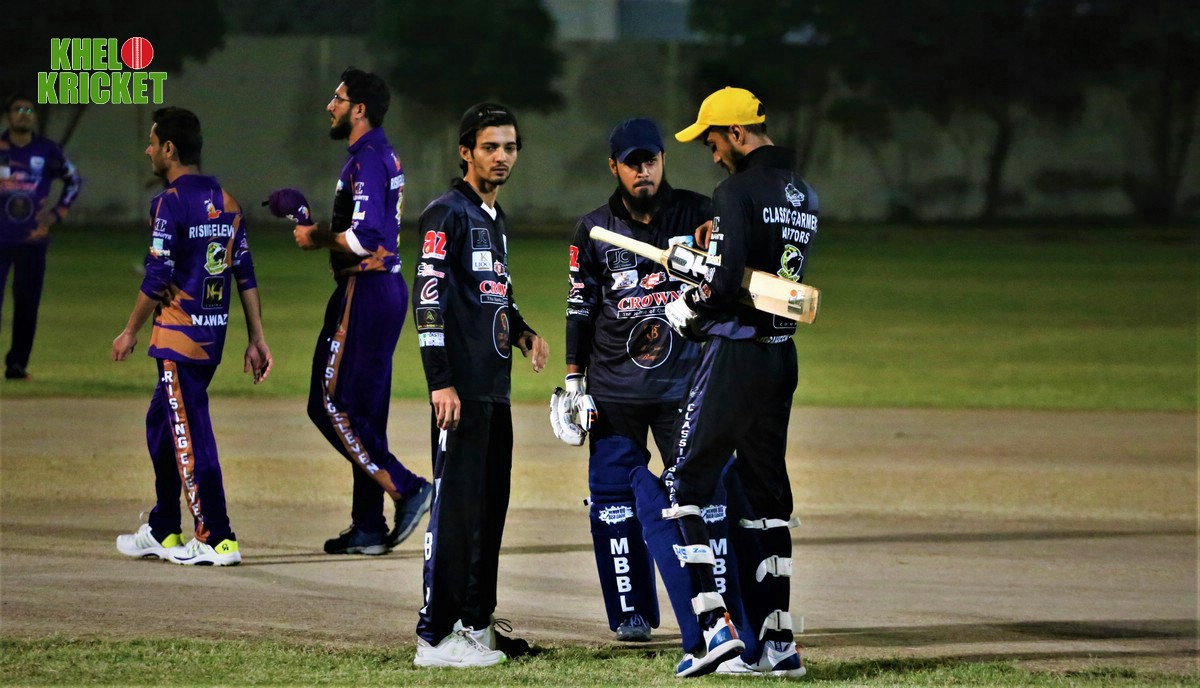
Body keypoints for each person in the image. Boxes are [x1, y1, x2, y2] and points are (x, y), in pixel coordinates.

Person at [641, 87, 818, 678]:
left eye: (714, 142)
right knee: (768, 498)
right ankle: (778, 643)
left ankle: (715, 629)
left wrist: (688, 307)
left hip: (735, 354)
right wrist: (713, 257)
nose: (714, 155)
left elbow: (724, 288)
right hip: (780, 355)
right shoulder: (803, 193)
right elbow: (767, 275)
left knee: (683, 483)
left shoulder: (735, 192)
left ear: (737, 134)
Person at [557, 117, 717, 643]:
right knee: (613, 502)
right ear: (614, 167)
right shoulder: (594, 228)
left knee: (703, 498)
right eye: (632, 163)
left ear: (663, 160)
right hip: (613, 391)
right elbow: (580, 306)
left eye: (650, 160)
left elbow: (726, 285)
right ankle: (631, 611)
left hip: (683, 389)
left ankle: (716, 610)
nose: (643, 171)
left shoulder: (699, 214)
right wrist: (574, 379)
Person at [266, 67, 432, 556]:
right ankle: (367, 527)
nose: (330, 106)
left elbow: (365, 238)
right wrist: (310, 221)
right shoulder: (379, 154)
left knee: (328, 404)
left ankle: (407, 488)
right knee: (364, 413)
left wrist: (315, 236)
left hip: (366, 292)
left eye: (337, 99)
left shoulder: (369, 160)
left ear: (359, 109)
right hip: (381, 291)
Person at [411, 102, 549, 668]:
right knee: (456, 514)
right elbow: (428, 301)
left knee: (488, 512)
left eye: (510, 147)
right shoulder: (445, 214)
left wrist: (523, 332)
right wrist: (440, 382)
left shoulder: (494, 219)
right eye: (490, 147)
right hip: (460, 393)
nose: (501, 157)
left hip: (494, 390)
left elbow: (496, 294)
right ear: (465, 151)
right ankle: (435, 636)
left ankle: (475, 624)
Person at [112, 106, 272, 566]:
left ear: (169, 149)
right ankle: (164, 527)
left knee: (189, 435)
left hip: (178, 338)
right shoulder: (227, 200)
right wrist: (256, 337)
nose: (147, 151)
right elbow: (244, 272)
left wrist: (129, 331)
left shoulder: (168, 202)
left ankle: (216, 537)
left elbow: (157, 275)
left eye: (151, 143)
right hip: (211, 337)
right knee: (161, 425)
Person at [0, 94, 82, 380]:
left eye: (29, 110)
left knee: (26, 305)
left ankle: (17, 365)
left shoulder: (47, 150)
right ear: (8, 116)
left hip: (32, 241)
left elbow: (73, 180)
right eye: (17, 109)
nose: (23, 114)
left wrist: (57, 213)